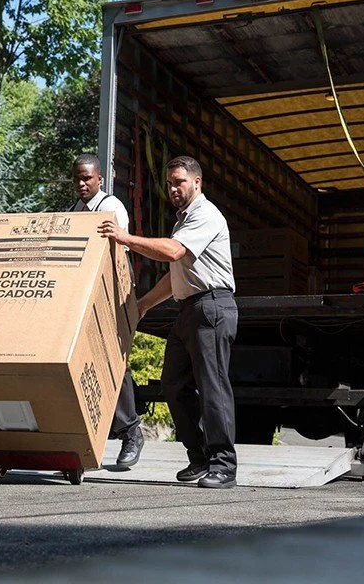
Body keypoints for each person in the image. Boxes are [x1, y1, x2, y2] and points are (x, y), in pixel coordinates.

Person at [97, 156, 238, 489]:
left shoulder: (205, 215)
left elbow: (173, 253)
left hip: (212, 307)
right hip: (189, 309)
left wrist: (125, 238)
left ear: (197, 182)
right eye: (171, 183)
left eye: (180, 182)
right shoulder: (183, 222)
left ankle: (224, 465)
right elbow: (176, 273)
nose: (174, 188)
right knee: (172, 384)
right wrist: (144, 304)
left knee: (213, 388)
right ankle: (200, 457)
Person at [69, 153, 144, 468]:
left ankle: (131, 432)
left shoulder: (111, 208)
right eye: (77, 179)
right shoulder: (73, 211)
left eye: (87, 178)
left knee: (114, 362)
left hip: (110, 295)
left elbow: (111, 251)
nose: (82, 184)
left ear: (100, 178)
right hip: (80, 296)